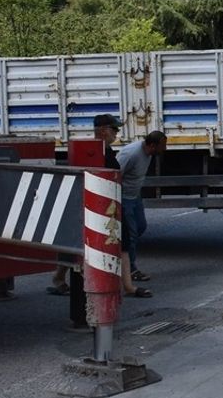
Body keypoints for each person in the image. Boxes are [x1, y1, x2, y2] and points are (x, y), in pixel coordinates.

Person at [48, 114, 131, 296]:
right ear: (103, 130)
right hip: (99, 203)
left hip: (105, 202)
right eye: (114, 129)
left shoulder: (105, 150)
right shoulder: (95, 150)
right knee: (84, 243)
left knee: (116, 240)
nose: (116, 133)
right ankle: (119, 285)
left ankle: (60, 278)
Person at [116, 130, 167, 287]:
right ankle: (130, 269)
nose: (165, 149)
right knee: (131, 234)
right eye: (163, 146)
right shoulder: (131, 154)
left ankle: (122, 253)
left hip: (135, 196)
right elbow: (116, 174)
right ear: (152, 145)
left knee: (140, 226)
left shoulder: (149, 154)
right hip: (124, 197)